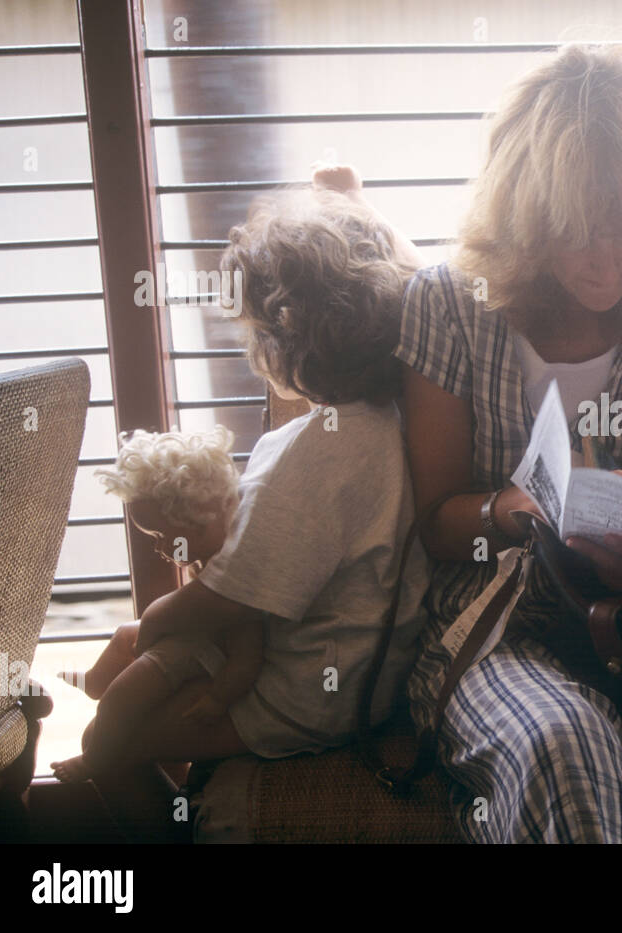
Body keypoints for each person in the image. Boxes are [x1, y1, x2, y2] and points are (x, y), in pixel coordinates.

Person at [356, 43, 622, 843]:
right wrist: (513, 509)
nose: (608, 258)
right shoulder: (451, 304)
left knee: (603, 767)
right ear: (530, 219)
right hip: (493, 620)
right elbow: (437, 523)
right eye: (578, 230)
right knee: (564, 745)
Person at [85, 186, 429, 841]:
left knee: (110, 740)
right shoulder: (390, 422)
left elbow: (227, 598)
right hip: (369, 679)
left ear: (284, 336)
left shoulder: (311, 452)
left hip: (309, 698)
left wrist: (158, 619)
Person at [52, 426, 258, 783]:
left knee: (117, 703)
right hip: (194, 635)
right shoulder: (215, 545)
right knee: (123, 634)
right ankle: (96, 680)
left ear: (199, 519)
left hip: (204, 653)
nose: (159, 548)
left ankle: (96, 759)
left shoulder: (237, 575)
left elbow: (249, 652)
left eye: (163, 536)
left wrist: (219, 698)